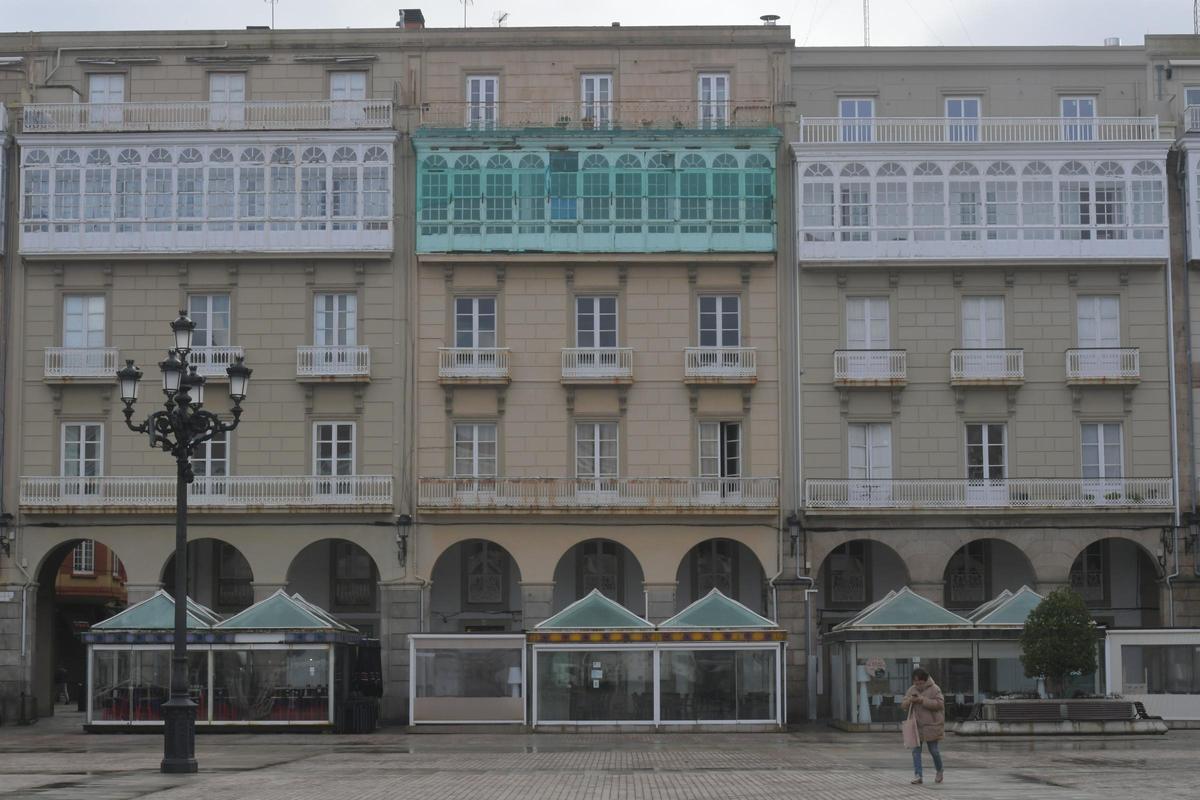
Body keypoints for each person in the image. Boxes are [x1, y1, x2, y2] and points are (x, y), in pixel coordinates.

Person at [900, 667, 945, 785]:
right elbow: (903, 705)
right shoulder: (911, 689)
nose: (918, 685)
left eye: (920, 682)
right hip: (915, 726)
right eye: (916, 683)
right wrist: (910, 700)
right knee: (916, 751)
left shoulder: (935, 689)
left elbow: (939, 704)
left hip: (932, 725)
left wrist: (922, 700)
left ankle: (939, 770)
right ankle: (918, 775)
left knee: (934, 750)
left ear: (925, 680)